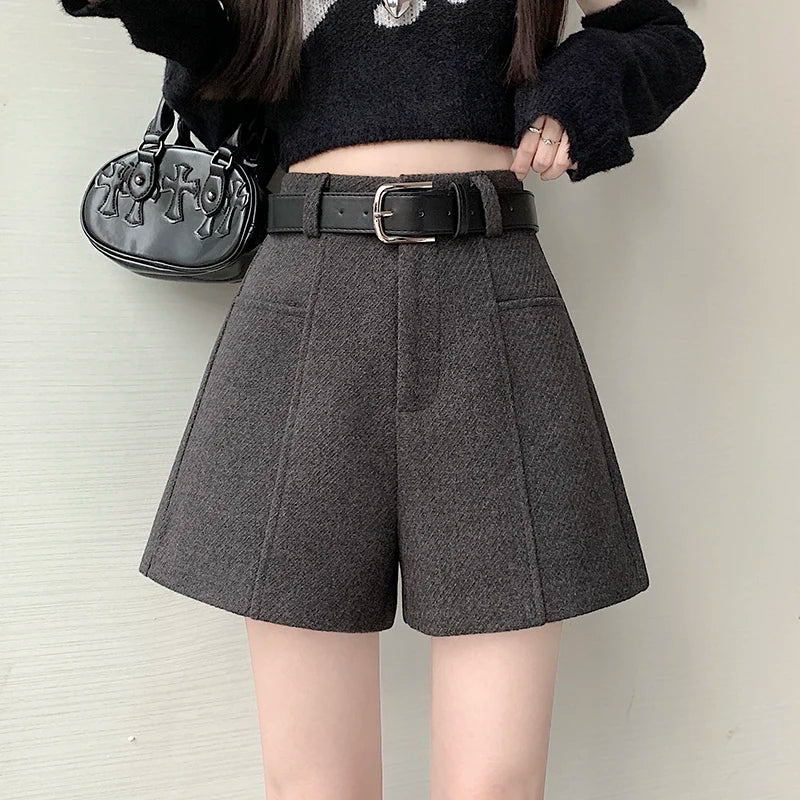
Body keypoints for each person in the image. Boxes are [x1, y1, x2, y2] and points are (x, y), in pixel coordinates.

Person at [59, 0, 706, 797]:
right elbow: (226, 77)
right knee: (315, 785)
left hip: (489, 295)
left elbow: (660, 34)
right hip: (306, 303)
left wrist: (579, 83)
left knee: (495, 784)